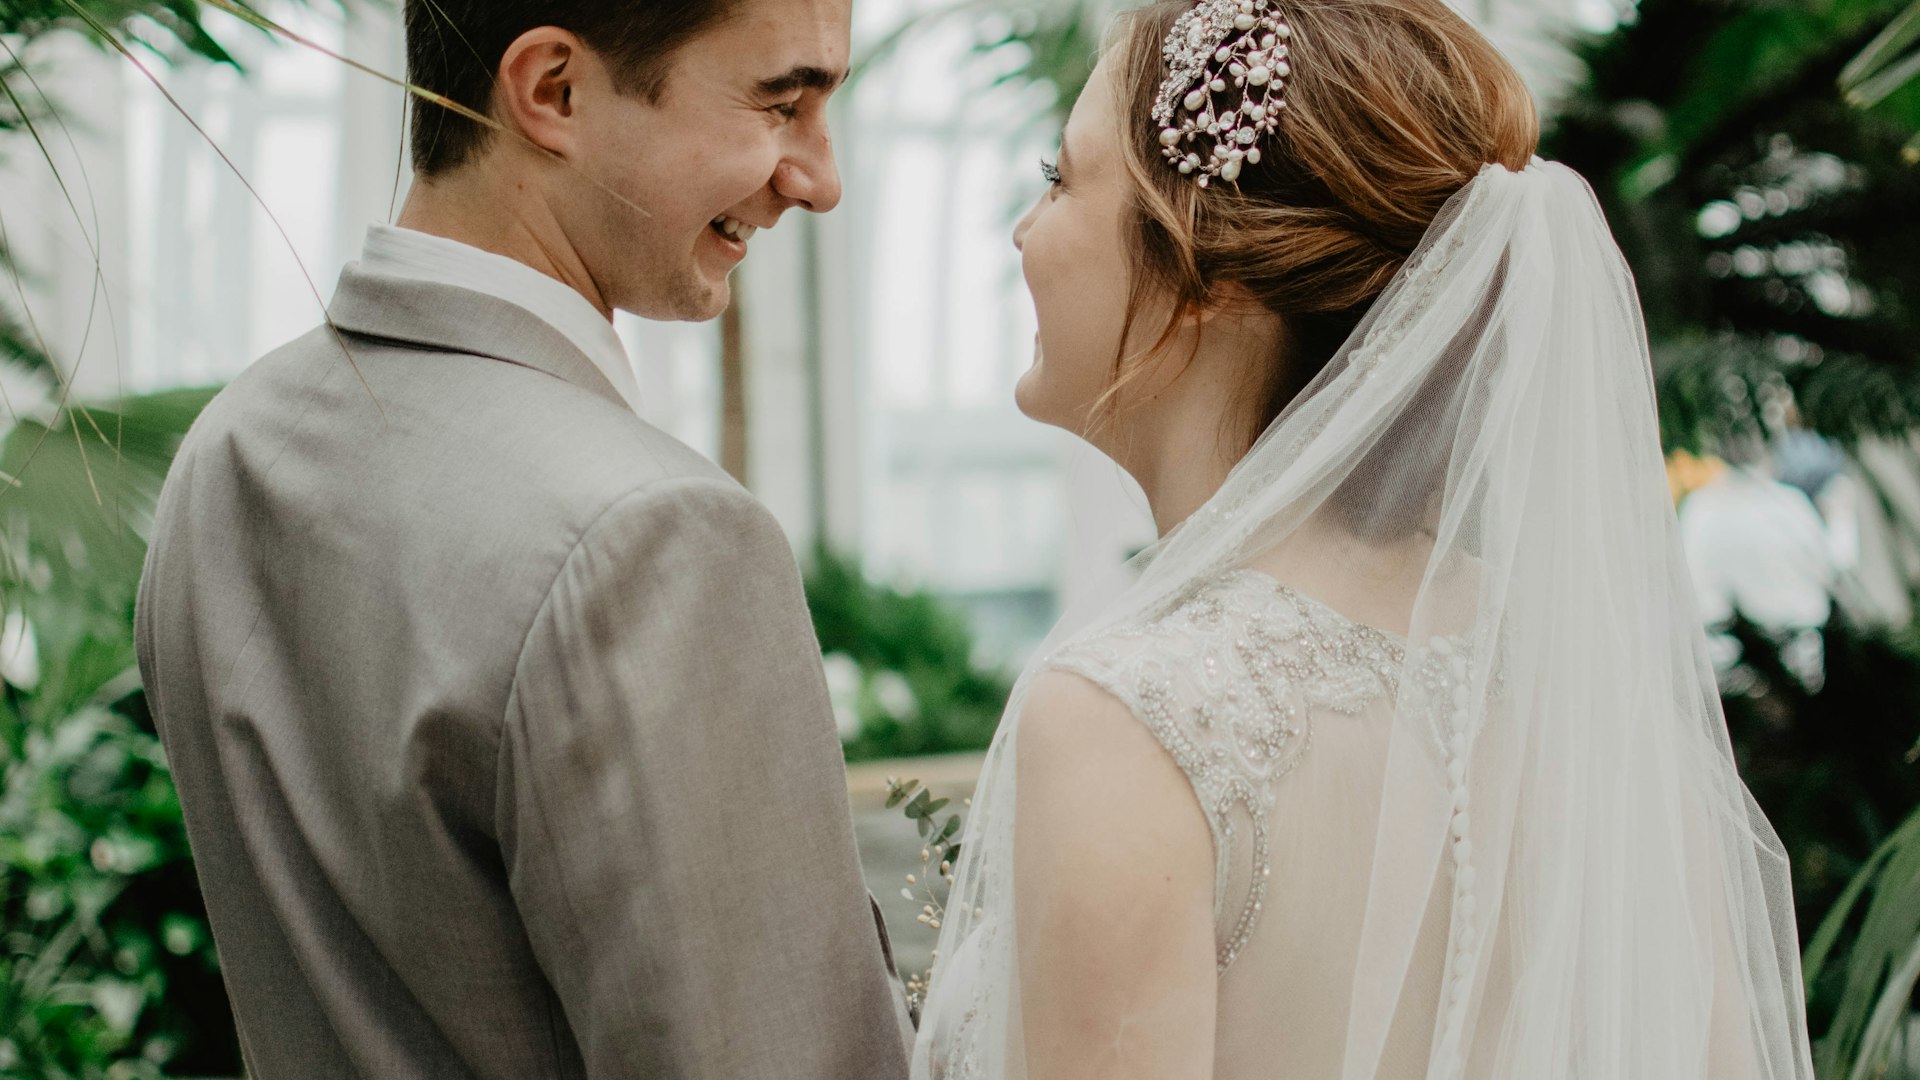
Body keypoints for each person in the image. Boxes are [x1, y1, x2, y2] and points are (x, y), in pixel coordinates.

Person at [911, 0, 1816, 1076]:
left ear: (1209, 279)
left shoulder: (1130, 714)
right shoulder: (1585, 688)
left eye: (1060, 179)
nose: (1025, 228)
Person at [134, 1, 914, 1076]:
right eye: (782, 103)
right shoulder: (654, 539)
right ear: (552, 90)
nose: (819, 179)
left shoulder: (227, 452)